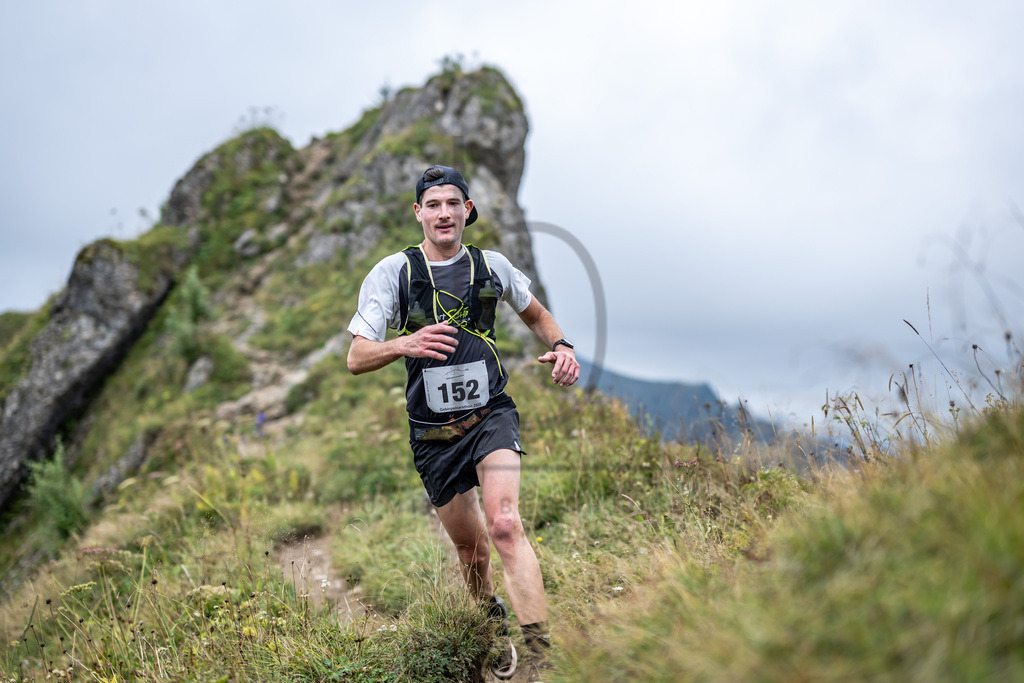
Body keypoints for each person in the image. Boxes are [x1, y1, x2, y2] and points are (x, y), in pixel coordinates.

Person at [347, 164, 579, 680]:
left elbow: (538, 316)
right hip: (432, 434)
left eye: (453, 203)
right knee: (472, 552)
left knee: (503, 525)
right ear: (418, 214)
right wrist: (404, 342)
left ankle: (540, 657)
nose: (444, 213)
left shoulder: (492, 265)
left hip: (490, 414)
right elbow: (356, 357)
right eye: (433, 204)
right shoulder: (393, 273)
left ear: (467, 210)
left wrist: (562, 347)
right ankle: (489, 623)